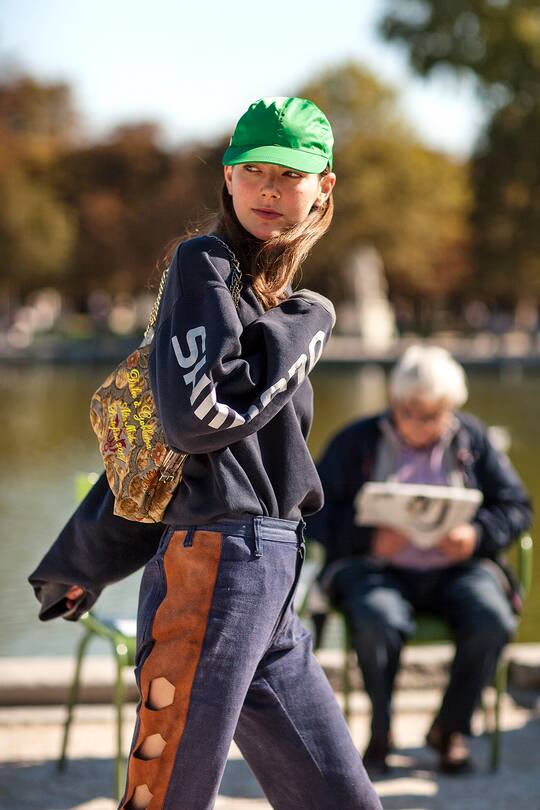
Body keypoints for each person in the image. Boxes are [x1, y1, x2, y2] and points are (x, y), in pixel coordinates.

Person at [29, 97, 382, 810]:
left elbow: (165, 454)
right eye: (254, 171)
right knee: (168, 798)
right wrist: (306, 326)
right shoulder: (204, 266)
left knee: (341, 800)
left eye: (291, 174)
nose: (272, 190)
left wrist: (81, 560)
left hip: (273, 579)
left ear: (325, 186)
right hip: (214, 568)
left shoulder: (271, 296)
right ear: (227, 178)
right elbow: (193, 426)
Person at [306, 345, 532, 776]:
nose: (422, 424)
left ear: (452, 408)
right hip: (376, 571)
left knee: (493, 619)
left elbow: (517, 507)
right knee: (376, 619)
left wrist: (477, 536)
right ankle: (383, 727)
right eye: (412, 411)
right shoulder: (356, 441)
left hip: (457, 570)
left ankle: (450, 729)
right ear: (394, 402)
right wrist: (368, 539)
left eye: (435, 414)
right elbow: (310, 511)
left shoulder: (473, 439)